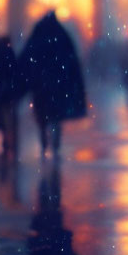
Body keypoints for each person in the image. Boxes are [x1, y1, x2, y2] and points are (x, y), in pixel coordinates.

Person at [18, 12, 86, 159]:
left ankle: (44, 143)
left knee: (42, 115)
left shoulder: (38, 35)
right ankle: (55, 144)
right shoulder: (62, 36)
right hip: (58, 85)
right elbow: (71, 62)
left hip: (41, 85)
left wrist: (26, 81)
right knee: (56, 115)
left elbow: (26, 59)